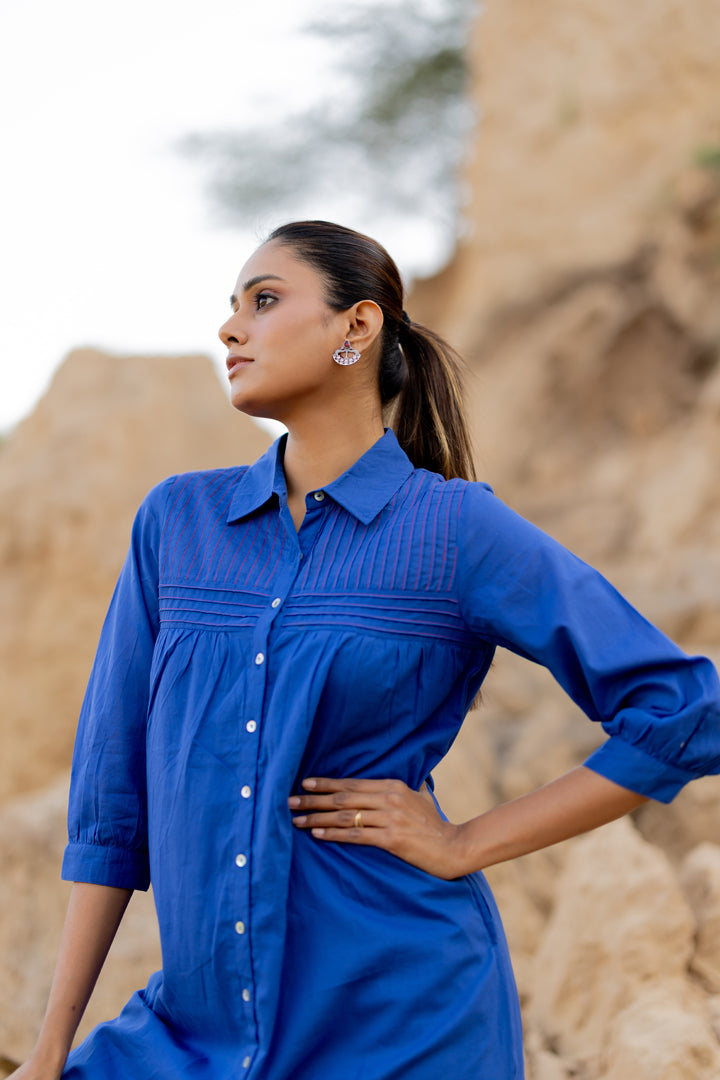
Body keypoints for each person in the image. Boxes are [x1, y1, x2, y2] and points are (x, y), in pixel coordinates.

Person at [17, 220, 720, 1080]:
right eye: (230, 308)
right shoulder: (176, 524)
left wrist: (465, 843)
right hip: (192, 1037)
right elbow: (112, 805)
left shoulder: (455, 530)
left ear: (357, 327)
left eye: (264, 300)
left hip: (404, 1029)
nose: (230, 328)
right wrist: (52, 1045)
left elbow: (683, 713)